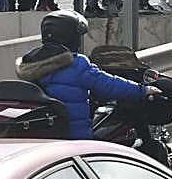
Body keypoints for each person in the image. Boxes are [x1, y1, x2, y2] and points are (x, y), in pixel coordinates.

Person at [15, 9, 160, 139]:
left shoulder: (30, 63)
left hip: (44, 135)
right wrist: (141, 90)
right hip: (75, 138)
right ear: (71, 36)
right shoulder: (76, 64)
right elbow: (108, 84)